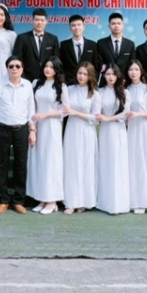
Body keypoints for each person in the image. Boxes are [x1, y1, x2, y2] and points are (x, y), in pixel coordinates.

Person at [0, 54, 35, 214]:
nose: (14, 69)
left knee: (21, 165)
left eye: (17, 66)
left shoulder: (28, 85)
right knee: (2, 164)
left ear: (22, 69)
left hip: (21, 129)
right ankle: (2, 200)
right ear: (6, 68)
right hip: (2, 129)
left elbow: (31, 110)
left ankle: (18, 200)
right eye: (11, 66)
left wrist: (32, 131)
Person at [27, 57, 65, 214]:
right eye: (46, 66)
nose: (48, 69)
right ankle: (42, 198)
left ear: (57, 69)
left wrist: (46, 114)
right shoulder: (36, 83)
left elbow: (65, 110)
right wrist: (32, 129)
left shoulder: (61, 86)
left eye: (51, 67)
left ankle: (52, 200)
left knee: (51, 162)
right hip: (38, 126)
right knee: (39, 162)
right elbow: (31, 106)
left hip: (52, 126)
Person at [62, 60, 100, 214]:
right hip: (71, 129)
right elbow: (64, 109)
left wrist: (76, 113)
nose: (82, 76)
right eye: (79, 73)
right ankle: (71, 201)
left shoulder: (95, 94)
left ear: (90, 76)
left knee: (86, 163)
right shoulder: (68, 89)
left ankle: (84, 200)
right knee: (72, 163)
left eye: (85, 74)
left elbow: (96, 118)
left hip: (87, 132)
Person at [95, 63, 130, 215]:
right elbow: (96, 113)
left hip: (119, 130)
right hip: (104, 132)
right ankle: (105, 201)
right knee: (106, 163)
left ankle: (120, 202)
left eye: (113, 74)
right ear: (103, 75)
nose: (110, 77)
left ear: (118, 76)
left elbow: (126, 113)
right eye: (108, 74)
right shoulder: (99, 92)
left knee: (118, 163)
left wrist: (108, 119)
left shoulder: (125, 93)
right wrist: (103, 119)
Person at [124, 59, 147, 214]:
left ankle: (146, 199)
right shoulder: (125, 89)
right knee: (133, 162)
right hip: (132, 129)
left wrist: (138, 114)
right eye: (131, 69)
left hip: (145, 127)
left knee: (145, 161)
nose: (133, 72)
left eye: (136, 69)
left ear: (141, 71)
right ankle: (134, 199)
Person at [13, 8, 59, 81]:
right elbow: (17, 60)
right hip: (27, 80)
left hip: (47, 80)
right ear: (32, 21)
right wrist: (22, 79)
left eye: (42, 20)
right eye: (37, 20)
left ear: (46, 22)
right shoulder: (22, 38)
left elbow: (56, 61)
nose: (39, 22)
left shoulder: (53, 39)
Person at [59, 14, 98, 83]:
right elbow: (61, 66)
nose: (76, 27)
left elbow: (96, 67)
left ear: (83, 27)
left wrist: (93, 82)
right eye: (73, 25)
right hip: (69, 83)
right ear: (70, 28)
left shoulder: (92, 45)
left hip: (87, 83)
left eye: (79, 25)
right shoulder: (64, 45)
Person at [96, 12, 135, 79]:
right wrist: (109, 75)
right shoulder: (101, 43)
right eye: (113, 23)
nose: (116, 26)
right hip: (107, 81)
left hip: (124, 81)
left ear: (123, 26)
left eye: (119, 23)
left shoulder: (130, 44)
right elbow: (99, 63)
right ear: (109, 26)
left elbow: (132, 64)